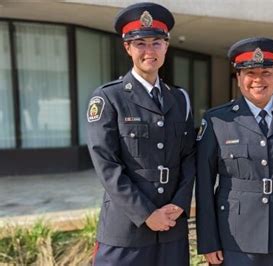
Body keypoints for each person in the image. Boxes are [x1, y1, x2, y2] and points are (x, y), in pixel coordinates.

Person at [195, 37, 273, 266]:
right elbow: (204, 184)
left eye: (266, 72)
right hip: (234, 235)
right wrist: (208, 240)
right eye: (250, 73)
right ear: (238, 78)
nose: (258, 80)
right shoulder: (217, 120)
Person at [86, 2, 195, 265]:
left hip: (172, 227)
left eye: (157, 42)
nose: (150, 50)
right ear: (128, 48)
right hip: (127, 231)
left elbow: (189, 157)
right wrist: (147, 213)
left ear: (166, 46)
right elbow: (107, 166)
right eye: (141, 43)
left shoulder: (180, 99)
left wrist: (180, 204)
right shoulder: (108, 98)